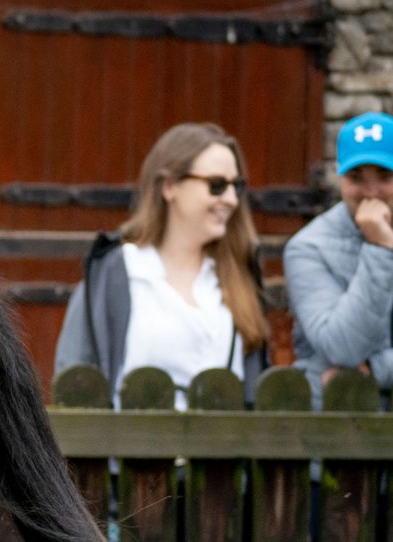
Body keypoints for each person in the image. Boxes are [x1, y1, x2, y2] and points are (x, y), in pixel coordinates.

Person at [53, 121, 268, 396]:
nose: (230, 199)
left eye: (236, 186)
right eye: (216, 185)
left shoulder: (239, 275)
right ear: (169, 187)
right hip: (128, 438)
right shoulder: (117, 272)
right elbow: (74, 375)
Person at [286, 111, 393, 390]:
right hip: (336, 423)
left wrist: (376, 369)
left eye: (385, 175)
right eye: (356, 177)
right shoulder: (307, 248)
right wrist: (380, 247)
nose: (371, 192)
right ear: (340, 179)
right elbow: (343, 348)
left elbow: (353, 364)